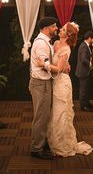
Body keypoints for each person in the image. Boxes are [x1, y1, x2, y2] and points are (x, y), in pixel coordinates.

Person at [37, 22, 93, 157]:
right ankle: (52, 142)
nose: (59, 30)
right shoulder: (55, 43)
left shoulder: (66, 49)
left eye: (62, 29)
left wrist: (43, 65)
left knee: (60, 113)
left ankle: (61, 145)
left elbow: (60, 69)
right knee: (53, 113)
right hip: (54, 82)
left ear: (67, 35)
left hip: (62, 83)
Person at [29, 17, 58, 159]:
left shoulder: (44, 41)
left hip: (42, 83)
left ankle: (42, 142)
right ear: (46, 28)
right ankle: (36, 148)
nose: (56, 28)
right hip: (40, 84)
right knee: (41, 116)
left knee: (44, 115)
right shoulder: (41, 44)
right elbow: (44, 63)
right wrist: (59, 69)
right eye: (54, 26)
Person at [75, 31, 93, 112]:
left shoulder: (85, 45)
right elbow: (83, 59)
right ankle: (83, 106)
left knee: (86, 89)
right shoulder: (84, 46)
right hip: (83, 72)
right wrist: (91, 64)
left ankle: (87, 103)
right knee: (83, 89)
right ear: (90, 38)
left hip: (84, 71)